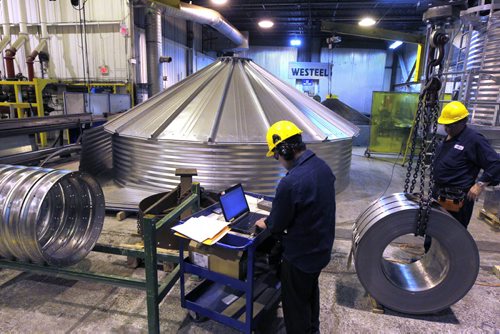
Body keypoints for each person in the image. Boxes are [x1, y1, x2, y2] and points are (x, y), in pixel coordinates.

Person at [255, 120, 336, 334]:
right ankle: (312, 329)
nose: (276, 159)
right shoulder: (322, 167)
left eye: (276, 154)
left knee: (295, 305)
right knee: (309, 292)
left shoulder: (290, 183)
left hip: (301, 256)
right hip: (321, 249)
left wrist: (265, 222)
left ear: (285, 150)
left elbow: (276, 225)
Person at [432, 101, 500, 229]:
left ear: (463, 122)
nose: (447, 128)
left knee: (452, 236)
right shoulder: (448, 137)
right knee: (433, 232)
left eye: (451, 125)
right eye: (445, 125)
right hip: (438, 195)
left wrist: (480, 184)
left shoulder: (474, 140)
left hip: (456, 200)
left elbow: (495, 163)